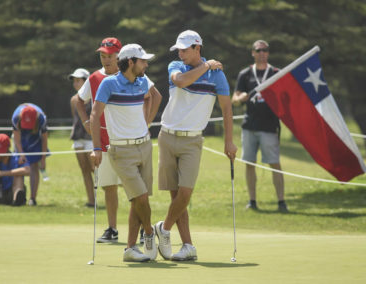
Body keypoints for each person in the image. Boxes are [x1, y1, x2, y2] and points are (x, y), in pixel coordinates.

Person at [155, 30, 237, 261]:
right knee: (175, 198)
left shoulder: (217, 76)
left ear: (197, 48)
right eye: (178, 49)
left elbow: (227, 109)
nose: (180, 53)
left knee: (185, 193)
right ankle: (188, 245)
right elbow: (181, 82)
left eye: (184, 49)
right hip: (167, 136)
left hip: (192, 140)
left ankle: (163, 229)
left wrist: (228, 141)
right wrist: (207, 66)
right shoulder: (175, 66)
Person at [90, 43, 162, 262]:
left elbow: (156, 97)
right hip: (121, 149)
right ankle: (150, 233)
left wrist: (145, 123)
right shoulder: (108, 84)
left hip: (145, 145)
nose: (146, 64)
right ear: (130, 62)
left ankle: (130, 248)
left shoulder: (142, 81)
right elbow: (94, 115)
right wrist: (96, 148)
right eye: (143, 61)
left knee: (137, 200)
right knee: (140, 196)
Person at [72, 37, 122, 243]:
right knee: (109, 186)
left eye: (110, 56)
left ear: (119, 55)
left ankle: (140, 230)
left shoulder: (129, 75)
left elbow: (150, 97)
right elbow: (78, 100)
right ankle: (112, 229)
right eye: (102, 56)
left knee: (134, 188)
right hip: (103, 139)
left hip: (126, 138)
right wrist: (85, 121)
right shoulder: (93, 78)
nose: (106, 59)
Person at [231, 40, 288, 213]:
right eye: (259, 50)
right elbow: (234, 98)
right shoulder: (246, 74)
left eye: (265, 50)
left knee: (274, 164)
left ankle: (281, 202)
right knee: (249, 164)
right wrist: (240, 98)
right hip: (250, 126)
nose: (262, 53)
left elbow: (286, 97)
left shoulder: (276, 73)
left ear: (268, 53)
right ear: (253, 53)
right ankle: (252, 201)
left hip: (270, 127)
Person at [12, 103, 48, 206]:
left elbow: (44, 140)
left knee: (34, 166)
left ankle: (32, 198)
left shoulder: (41, 118)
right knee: (19, 164)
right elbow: (17, 139)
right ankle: (19, 195)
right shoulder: (16, 117)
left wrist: (43, 158)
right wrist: (21, 154)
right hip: (21, 138)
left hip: (35, 138)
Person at [68, 68, 95, 207]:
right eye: (74, 81)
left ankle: (109, 191)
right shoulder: (74, 100)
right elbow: (76, 118)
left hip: (91, 138)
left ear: (86, 81)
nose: (75, 83)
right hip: (78, 137)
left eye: (78, 80)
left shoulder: (95, 97)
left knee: (93, 168)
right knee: (84, 170)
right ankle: (91, 201)